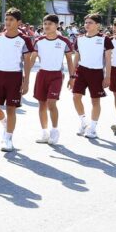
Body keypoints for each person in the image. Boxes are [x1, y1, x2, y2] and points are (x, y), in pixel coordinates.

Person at [0, 8, 34, 151]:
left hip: (15, 76)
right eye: (6, 19)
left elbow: (27, 61)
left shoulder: (24, 39)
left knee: (11, 109)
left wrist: (26, 81)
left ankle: (8, 138)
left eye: (11, 20)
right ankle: (6, 124)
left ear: (19, 22)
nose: (7, 22)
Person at [31, 13, 76, 145]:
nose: (46, 26)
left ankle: (55, 130)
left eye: (50, 24)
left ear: (56, 25)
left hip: (56, 75)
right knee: (42, 104)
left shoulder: (64, 41)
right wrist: (25, 73)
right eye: (45, 24)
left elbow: (69, 60)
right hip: (42, 74)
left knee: (51, 103)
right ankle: (44, 132)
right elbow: (32, 59)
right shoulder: (39, 41)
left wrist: (72, 77)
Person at [69, 13, 111, 139]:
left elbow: (108, 59)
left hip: (96, 72)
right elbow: (76, 57)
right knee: (76, 97)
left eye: (90, 22)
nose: (87, 25)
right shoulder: (80, 38)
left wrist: (107, 76)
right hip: (81, 71)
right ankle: (83, 122)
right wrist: (71, 75)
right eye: (86, 22)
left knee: (95, 100)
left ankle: (92, 128)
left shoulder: (105, 39)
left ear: (98, 25)